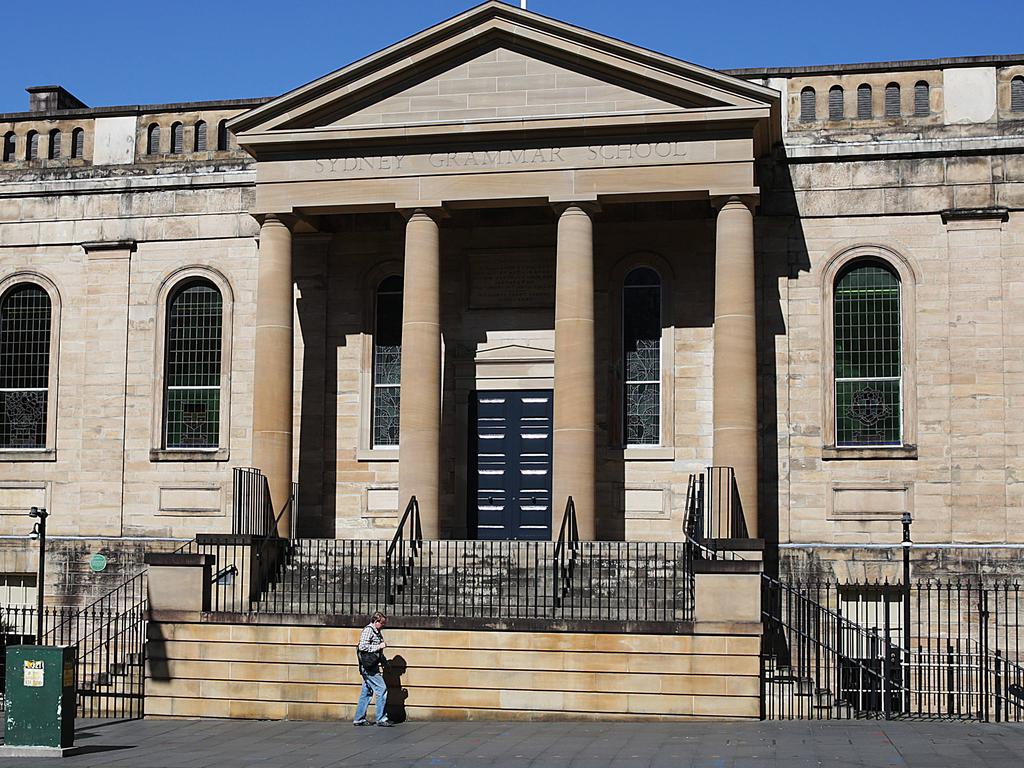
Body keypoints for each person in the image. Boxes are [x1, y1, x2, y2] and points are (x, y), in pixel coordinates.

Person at [353, 611, 393, 727]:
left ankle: (359, 719)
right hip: (368, 667)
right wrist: (379, 646)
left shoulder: (377, 632)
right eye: (382, 623)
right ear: (376, 621)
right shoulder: (368, 630)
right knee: (382, 689)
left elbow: (378, 653)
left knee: (366, 693)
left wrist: (385, 663)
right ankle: (381, 718)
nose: (383, 625)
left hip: (371, 666)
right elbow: (362, 646)